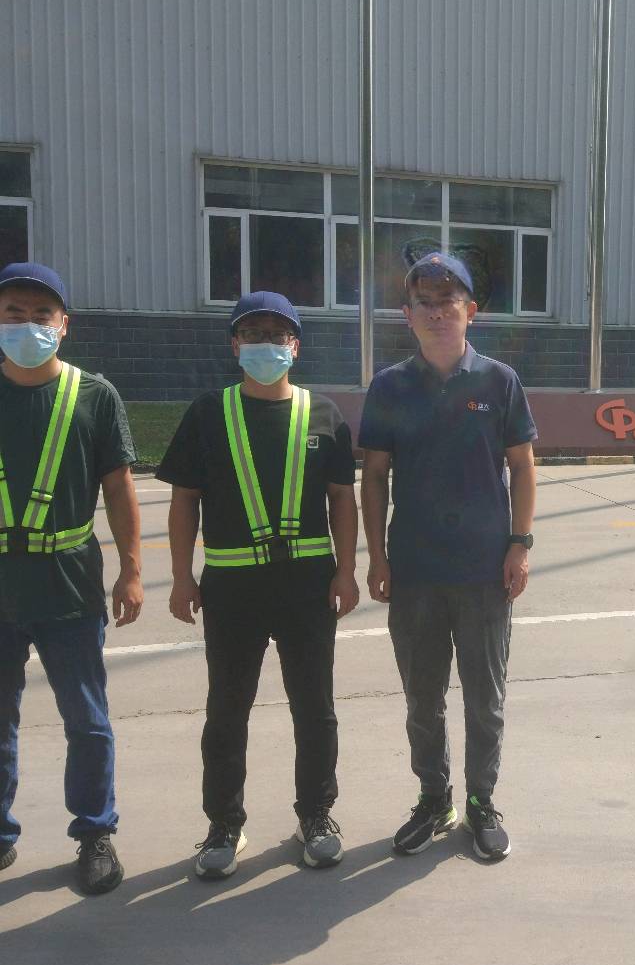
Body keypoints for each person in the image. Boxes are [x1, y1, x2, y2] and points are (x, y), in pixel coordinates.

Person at [159, 292, 359, 879]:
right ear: (234, 345)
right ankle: (224, 824)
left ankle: (316, 816)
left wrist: (347, 571)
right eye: (253, 334)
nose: (266, 344)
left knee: (315, 707)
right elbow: (184, 502)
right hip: (232, 586)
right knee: (226, 709)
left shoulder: (324, 414)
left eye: (277, 335)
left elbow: (342, 501)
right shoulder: (208, 413)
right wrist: (181, 577)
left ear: (296, 346)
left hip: (307, 584)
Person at [359, 252, 537, 861]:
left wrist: (520, 544)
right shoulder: (390, 387)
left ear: (471, 312)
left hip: (485, 572)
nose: (437, 313)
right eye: (425, 303)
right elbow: (374, 476)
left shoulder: (499, 382)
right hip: (414, 573)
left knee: (484, 700)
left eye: (448, 301)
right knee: (422, 699)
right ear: (407, 315)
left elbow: (522, 466)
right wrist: (377, 558)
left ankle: (482, 802)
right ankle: (435, 800)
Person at [0, 262, 143, 894]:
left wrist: (132, 570)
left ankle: (95, 832)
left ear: (64, 325)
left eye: (41, 315)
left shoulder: (94, 395)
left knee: (86, 720)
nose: (27, 325)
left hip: (69, 584)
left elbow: (119, 487)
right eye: (14, 313)